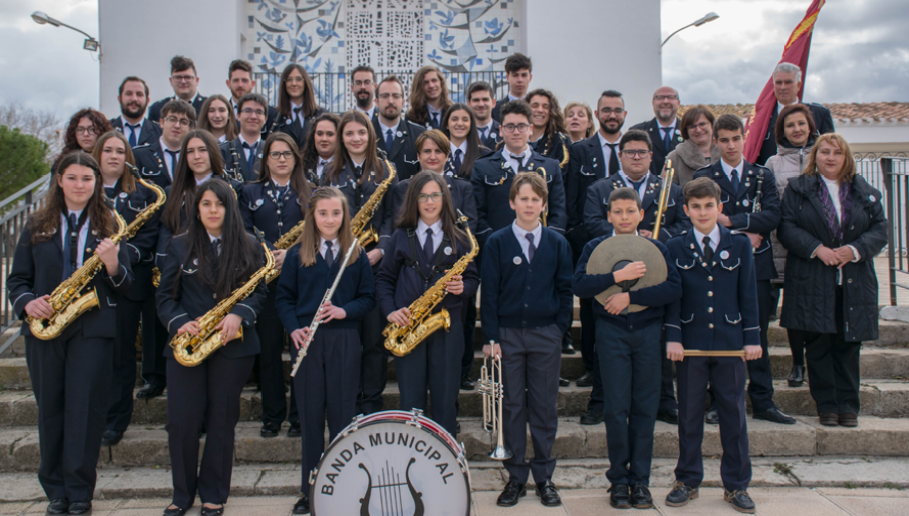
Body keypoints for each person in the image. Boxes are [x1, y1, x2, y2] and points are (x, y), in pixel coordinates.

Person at [7, 152, 133, 516]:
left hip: (92, 329)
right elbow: (17, 281)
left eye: (87, 179)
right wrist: (28, 302)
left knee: (86, 411)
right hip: (45, 330)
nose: (80, 185)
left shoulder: (109, 223)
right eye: (73, 178)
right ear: (59, 180)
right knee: (51, 410)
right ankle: (55, 492)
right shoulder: (36, 224)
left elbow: (126, 285)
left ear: (96, 184)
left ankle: (80, 493)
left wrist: (112, 264)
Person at [156, 179, 267, 516]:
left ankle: (214, 493)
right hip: (188, 344)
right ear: (197, 208)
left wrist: (239, 314)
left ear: (229, 207)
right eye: (206, 204)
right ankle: (182, 494)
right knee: (182, 422)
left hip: (231, 346)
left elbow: (259, 292)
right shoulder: (178, 245)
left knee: (221, 420)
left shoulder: (249, 244)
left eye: (219, 204)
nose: (213, 210)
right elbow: (164, 299)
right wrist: (179, 322)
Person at [573, 187, 682, 510]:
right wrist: (615, 276)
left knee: (645, 408)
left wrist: (631, 297)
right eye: (617, 212)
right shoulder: (595, 246)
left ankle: (641, 482)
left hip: (648, 333)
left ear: (641, 214)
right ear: (608, 215)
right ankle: (619, 480)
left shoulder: (656, 247)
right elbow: (579, 284)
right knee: (615, 408)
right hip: (611, 334)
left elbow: (673, 287)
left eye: (629, 212)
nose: (623, 217)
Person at [663, 177, 761, 514]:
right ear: (686, 210)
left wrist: (752, 338)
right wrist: (673, 336)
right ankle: (687, 480)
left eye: (709, 206)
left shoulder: (739, 245)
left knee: (733, 415)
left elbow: (748, 293)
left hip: (730, 343)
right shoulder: (676, 246)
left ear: (720, 208)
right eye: (696, 206)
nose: (703, 212)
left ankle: (736, 485)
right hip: (690, 345)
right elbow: (673, 296)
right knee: (689, 415)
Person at [276, 187, 376, 515]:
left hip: (344, 339)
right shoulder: (296, 254)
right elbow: (284, 299)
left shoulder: (356, 253)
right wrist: (293, 328)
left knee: (342, 417)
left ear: (344, 216)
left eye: (336, 213)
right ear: (313, 216)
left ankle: (344, 487)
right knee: (310, 416)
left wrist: (344, 311)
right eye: (323, 213)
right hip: (307, 341)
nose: (330, 219)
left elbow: (368, 298)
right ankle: (310, 490)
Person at [692, 114, 796, 426]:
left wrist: (732, 223)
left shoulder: (761, 175)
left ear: (743, 138)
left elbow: (773, 216)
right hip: (716, 267)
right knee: (718, 335)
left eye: (735, 138)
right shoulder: (704, 176)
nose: (730, 145)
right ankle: (717, 402)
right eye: (723, 139)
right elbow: (700, 218)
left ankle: (763, 400)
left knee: (757, 334)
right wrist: (741, 234)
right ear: (715, 142)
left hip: (757, 266)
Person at [778, 133, 887, 428]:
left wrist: (854, 250)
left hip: (853, 279)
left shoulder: (864, 191)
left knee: (849, 344)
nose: (830, 157)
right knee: (817, 343)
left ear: (846, 157)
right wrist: (818, 249)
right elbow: (786, 228)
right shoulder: (798, 190)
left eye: (836, 153)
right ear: (816, 156)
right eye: (824, 152)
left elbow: (880, 228)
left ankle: (849, 405)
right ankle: (826, 405)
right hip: (813, 277)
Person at [584, 130, 690, 426]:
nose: (636, 157)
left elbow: (682, 224)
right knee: (605, 342)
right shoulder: (600, 188)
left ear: (650, 155)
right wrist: (627, 241)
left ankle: (665, 401)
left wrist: (652, 239)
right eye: (630, 152)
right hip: (611, 271)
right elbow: (592, 223)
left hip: (655, 271)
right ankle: (600, 400)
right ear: (620, 155)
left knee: (654, 341)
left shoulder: (671, 188)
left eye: (642, 152)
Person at [482, 173, 572, 508]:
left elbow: (565, 290)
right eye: (524, 198)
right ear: (512, 203)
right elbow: (489, 293)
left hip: (545, 335)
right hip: (506, 337)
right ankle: (516, 477)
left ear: (543, 205)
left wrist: (558, 329)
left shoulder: (558, 243)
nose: (530, 204)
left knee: (544, 407)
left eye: (536, 199)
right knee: (512, 407)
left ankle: (544, 477)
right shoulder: (497, 242)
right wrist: (491, 336)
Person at [377, 171, 479, 436]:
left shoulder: (460, 237)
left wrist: (463, 287)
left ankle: (446, 457)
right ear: (414, 200)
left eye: (435, 195)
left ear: (445, 198)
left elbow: (473, 278)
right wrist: (390, 311)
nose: (430, 201)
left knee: (446, 399)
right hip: (409, 327)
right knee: (411, 400)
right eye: (423, 196)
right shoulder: (401, 236)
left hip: (446, 327)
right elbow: (385, 279)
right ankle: (414, 454)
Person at [390, 130, 478, 394]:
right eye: (426, 151)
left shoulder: (462, 187)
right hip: (414, 295)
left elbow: (469, 227)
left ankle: (449, 407)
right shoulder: (403, 189)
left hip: (448, 279)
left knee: (447, 373)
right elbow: (402, 227)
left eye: (438, 151)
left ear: (447, 156)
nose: (432, 156)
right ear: (417, 156)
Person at [239, 132, 315, 438]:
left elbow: (320, 230)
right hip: (265, 281)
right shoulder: (248, 191)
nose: (281, 159)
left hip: (301, 279)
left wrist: (291, 254)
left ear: (296, 158)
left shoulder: (311, 192)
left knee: (300, 348)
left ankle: (299, 416)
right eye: (275, 154)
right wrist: (269, 252)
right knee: (269, 350)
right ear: (265, 159)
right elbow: (243, 229)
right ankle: (272, 416)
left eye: (287, 154)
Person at [323, 110, 399, 415]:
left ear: (370, 136)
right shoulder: (329, 172)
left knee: (373, 340)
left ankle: (372, 401)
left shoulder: (386, 170)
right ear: (342, 137)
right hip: (340, 266)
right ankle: (348, 400)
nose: (356, 138)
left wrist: (381, 249)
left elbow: (393, 216)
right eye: (349, 133)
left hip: (375, 263)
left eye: (361, 133)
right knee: (345, 340)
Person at [92, 132, 161, 448]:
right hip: (88, 285)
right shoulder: (85, 189)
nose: (114, 156)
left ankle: (115, 421)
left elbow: (149, 237)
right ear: (98, 154)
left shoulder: (142, 194)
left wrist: (123, 257)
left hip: (127, 283)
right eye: (108, 150)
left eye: (121, 151)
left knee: (121, 355)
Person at [565, 90, 627, 422]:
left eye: (617, 110)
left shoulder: (633, 148)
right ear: (597, 114)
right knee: (591, 309)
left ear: (625, 114)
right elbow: (573, 198)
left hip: (632, 245)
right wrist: (581, 238)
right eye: (606, 110)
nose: (612, 115)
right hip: (589, 242)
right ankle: (591, 367)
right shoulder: (579, 150)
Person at [764, 103, 818, 387]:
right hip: (785, 245)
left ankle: (816, 361)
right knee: (793, 308)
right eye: (789, 125)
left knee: (814, 307)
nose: (796, 129)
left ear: (809, 126)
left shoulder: (824, 155)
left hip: (819, 246)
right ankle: (797, 363)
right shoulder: (774, 163)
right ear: (782, 131)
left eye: (800, 123)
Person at [471, 100, 567, 250]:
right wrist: (495, 243)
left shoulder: (550, 166)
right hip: (498, 250)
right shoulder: (482, 167)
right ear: (501, 130)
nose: (516, 132)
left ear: (530, 129)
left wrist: (547, 243)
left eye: (522, 126)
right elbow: (478, 213)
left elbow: (559, 212)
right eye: (510, 127)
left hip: (541, 249)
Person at [756, 62, 835, 166]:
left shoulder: (819, 114)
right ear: (773, 85)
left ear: (798, 85)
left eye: (788, 82)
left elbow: (831, 151)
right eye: (779, 82)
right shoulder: (760, 118)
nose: (783, 87)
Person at [373, 75, 426, 181]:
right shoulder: (364, 134)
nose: (391, 101)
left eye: (396, 96)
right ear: (376, 102)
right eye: (385, 96)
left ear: (403, 102)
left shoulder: (419, 135)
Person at [134, 99, 195, 189]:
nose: (177, 125)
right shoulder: (139, 155)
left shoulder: (195, 157)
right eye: (172, 119)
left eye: (183, 122)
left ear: (191, 129)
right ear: (161, 122)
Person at [267, 64, 324, 148]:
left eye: (298, 79)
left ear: (305, 82)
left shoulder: (320, 114)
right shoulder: (275, 116)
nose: (294, 83)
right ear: (284, 83)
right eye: (289, 79)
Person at [631, 86, 682, 176]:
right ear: (652, 103)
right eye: (660, 98)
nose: (665, 101)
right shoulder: (637, 131)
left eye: (671, 97)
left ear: (678, 103)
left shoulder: (689, 131)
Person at [667, 105, 720, 187]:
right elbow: (667, 193)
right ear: (686, 131)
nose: (698, 130)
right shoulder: (674, 158)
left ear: (712, 125)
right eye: (692, 126)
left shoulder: (727, 153)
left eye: (702, 124)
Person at [220, 93, 269, 182]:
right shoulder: (222, 151)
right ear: (238, 116)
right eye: (247, 111)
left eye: (259, 112)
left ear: (265, 118)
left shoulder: (271, 151)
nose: (253, 116)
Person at [225, 60, 277, 136]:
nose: (240, 84)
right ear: (228, 84)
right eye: (236, 80)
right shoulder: (221, 113)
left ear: (252, 84)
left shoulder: (270, 114)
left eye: (244, 80)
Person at [52, 108, 113, 174]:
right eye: (80, 129)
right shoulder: (62, 163)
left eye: (92, 129)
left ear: (102, 131)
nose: (85, 134)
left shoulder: (111, 160)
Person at [526, 89, 570, 178]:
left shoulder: (560, 142)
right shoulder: (514, 139)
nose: (540, 110)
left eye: (545, 106)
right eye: (535, 106)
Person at [148, 55, 206, 123]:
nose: (183, 81)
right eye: (178, 77)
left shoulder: (209, 107)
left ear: (197, 80)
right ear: (171, 81)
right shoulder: (157, 109)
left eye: (187, 77)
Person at [441, 102, 491, 180]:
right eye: (454, 119)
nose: (460, 123)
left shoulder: (484, 155)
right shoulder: (437, 153)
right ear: (447, 124)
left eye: (465, 120)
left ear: (471, 124)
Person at [110, 76, 161, 148]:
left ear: (148, 100)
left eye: (139, 94)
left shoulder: (160, 132)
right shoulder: (106, 129)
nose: (134, 99)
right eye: (128, 93)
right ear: (119, 99)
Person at [300, 112, 340, 185]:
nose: (324, 139)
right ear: (313, 136)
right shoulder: (301, 166)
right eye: (319, 134)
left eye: (330, 134)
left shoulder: (347, 167)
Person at [492, 53, 533, 123]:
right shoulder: (495, 109)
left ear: (530, 77)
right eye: (515, 75)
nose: (520, 80)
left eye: (524, 75)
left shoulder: (537, 109)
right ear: (507, 78)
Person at [467, 81, 502, 149]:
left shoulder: (503, 132)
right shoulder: (463, 133)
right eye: (476, 100)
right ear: (468, 104)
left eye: (485, 99)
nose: (481, 104)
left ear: (493, 103)